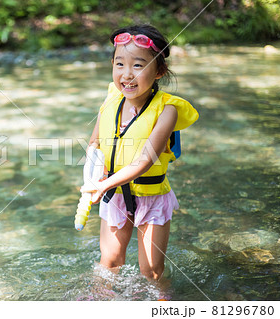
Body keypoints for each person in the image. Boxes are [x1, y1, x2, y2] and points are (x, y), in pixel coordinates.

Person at [83, 24, 199, 283]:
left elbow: (145, 161)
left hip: (151, 197)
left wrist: (105, 184)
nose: (127, 74)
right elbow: (95, 143)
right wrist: (92, 172)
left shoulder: (167, 110)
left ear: (159, 71)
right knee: (109, 262)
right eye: (120, 64)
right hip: (115, 195)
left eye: (138, 65)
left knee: (151, 272)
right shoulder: (111, 101)